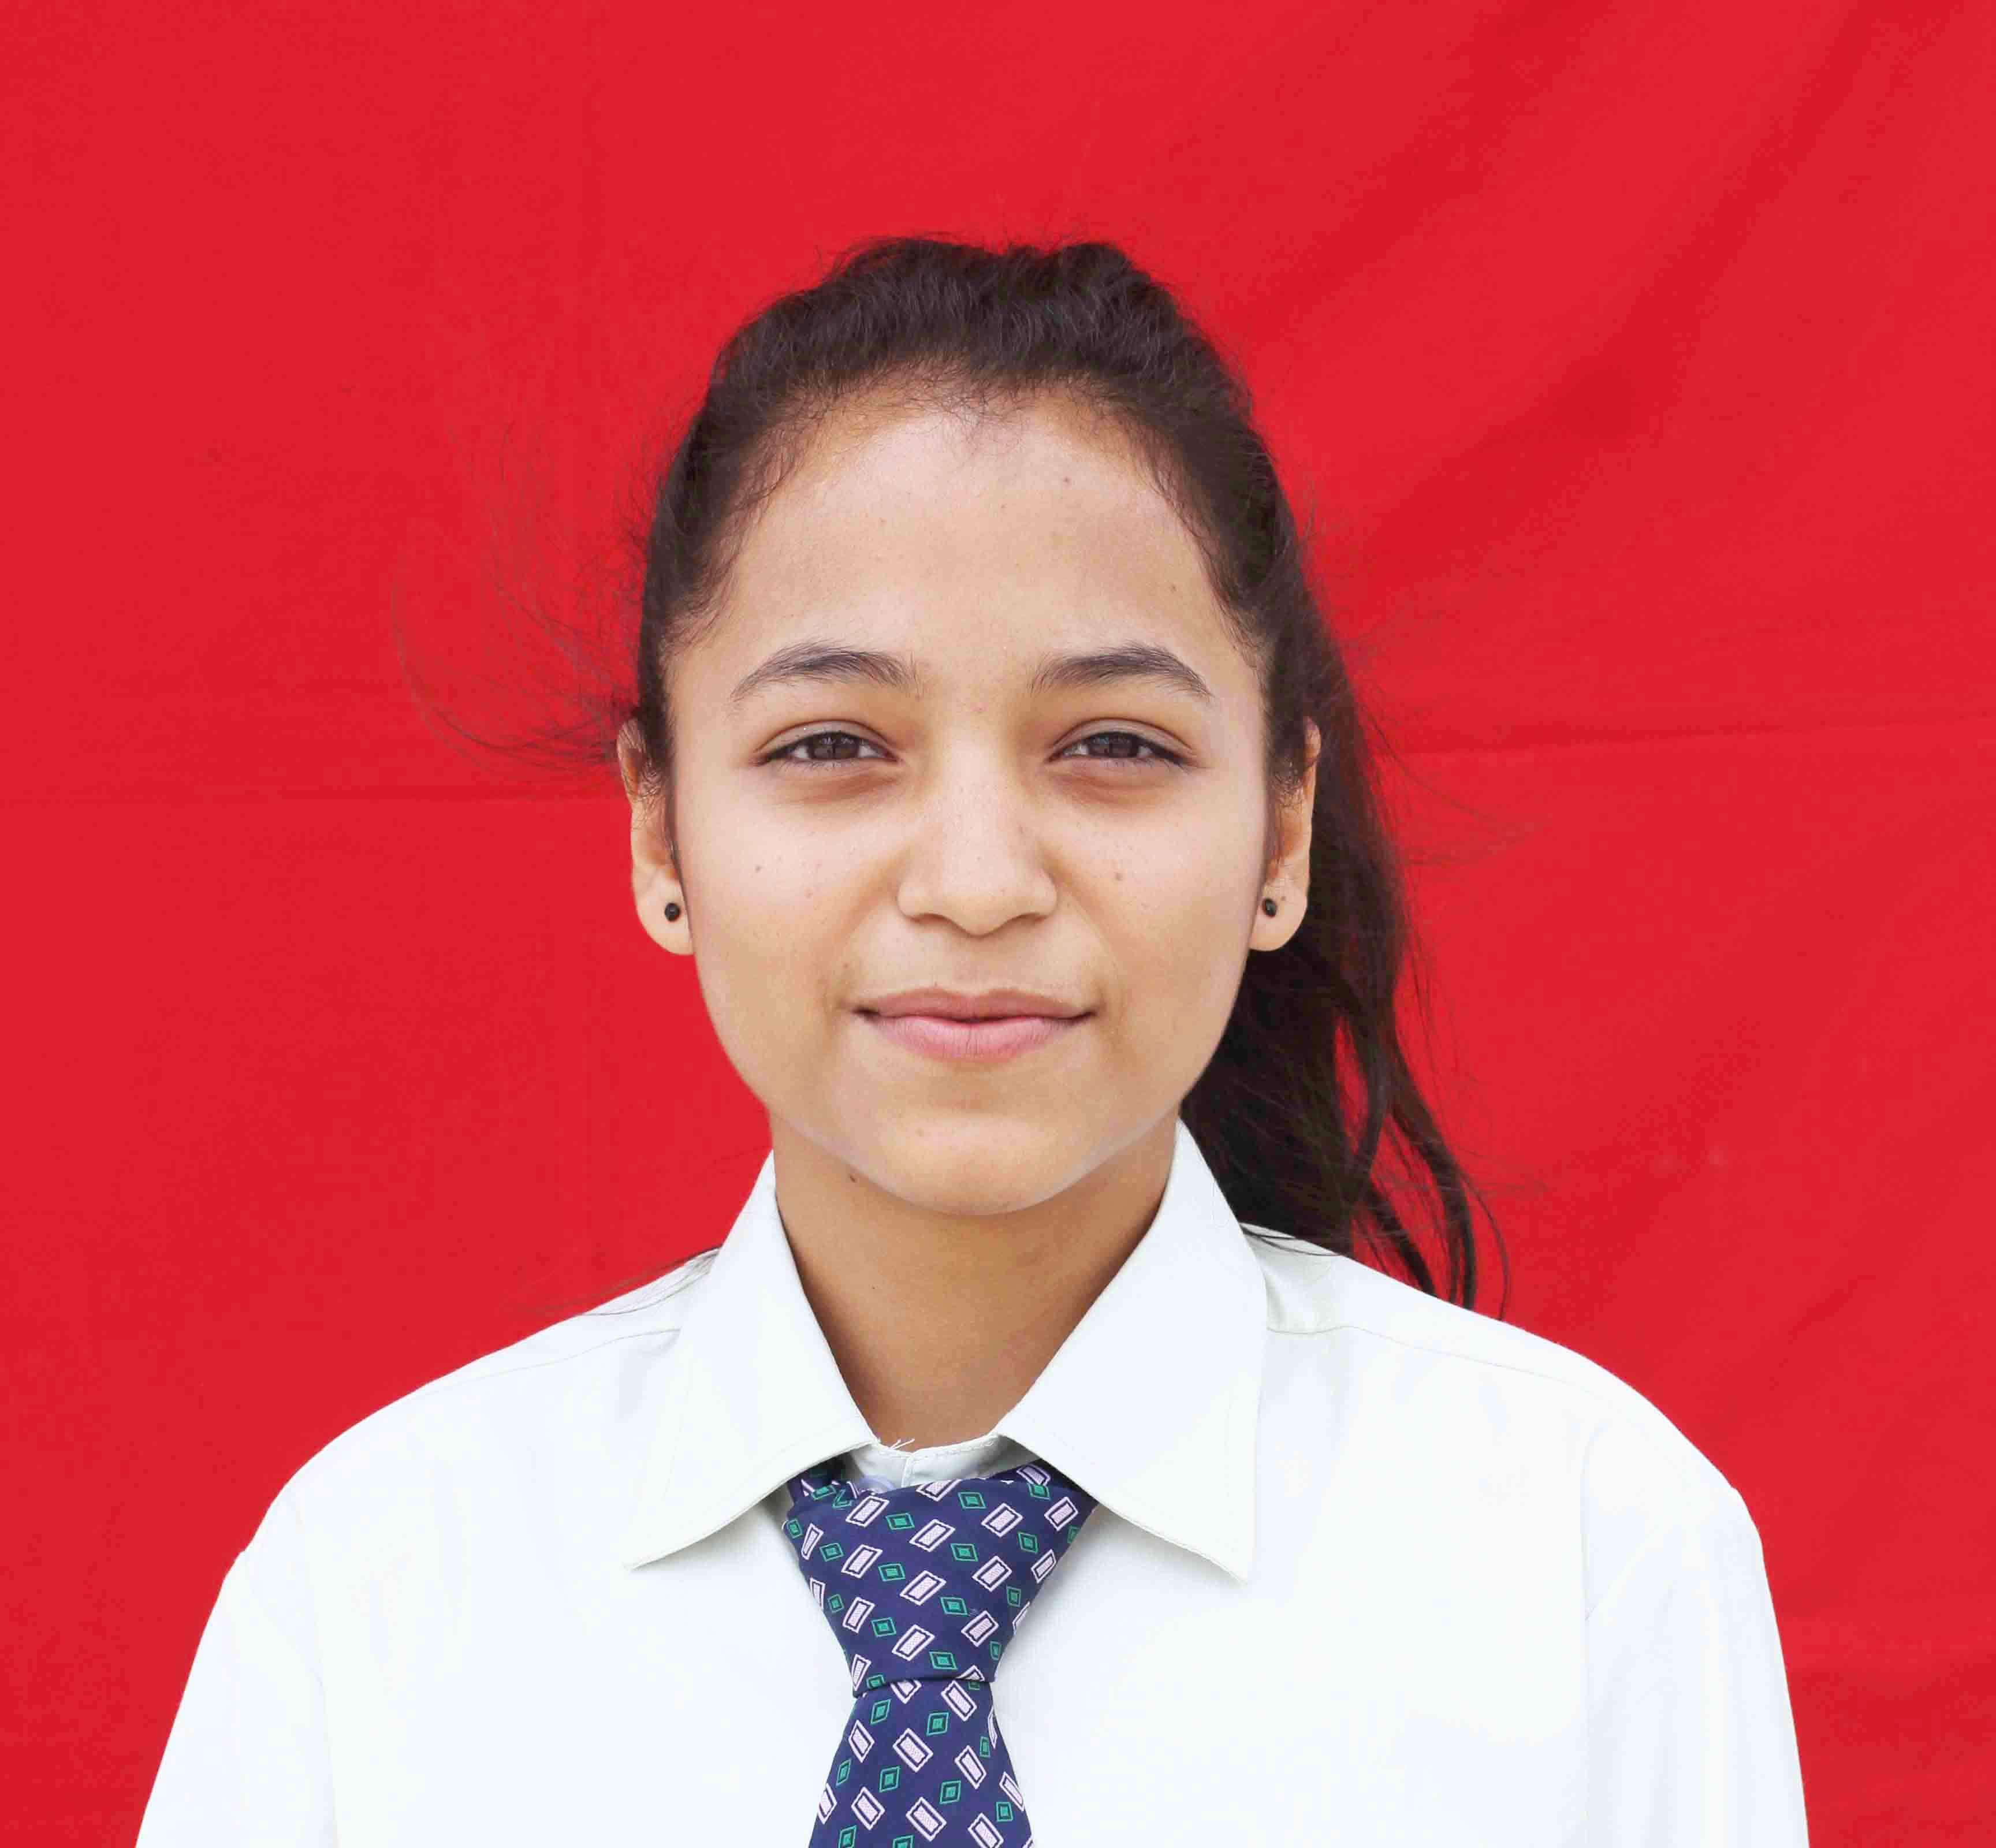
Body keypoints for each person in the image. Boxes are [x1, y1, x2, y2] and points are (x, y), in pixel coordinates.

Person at [136, 236, 1809, 1845]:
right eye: (833, 744)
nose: (979, 882)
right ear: (660, 831)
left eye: (1114, 744)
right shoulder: (379, 1592)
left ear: (1283, 830)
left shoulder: (1588, 1560)